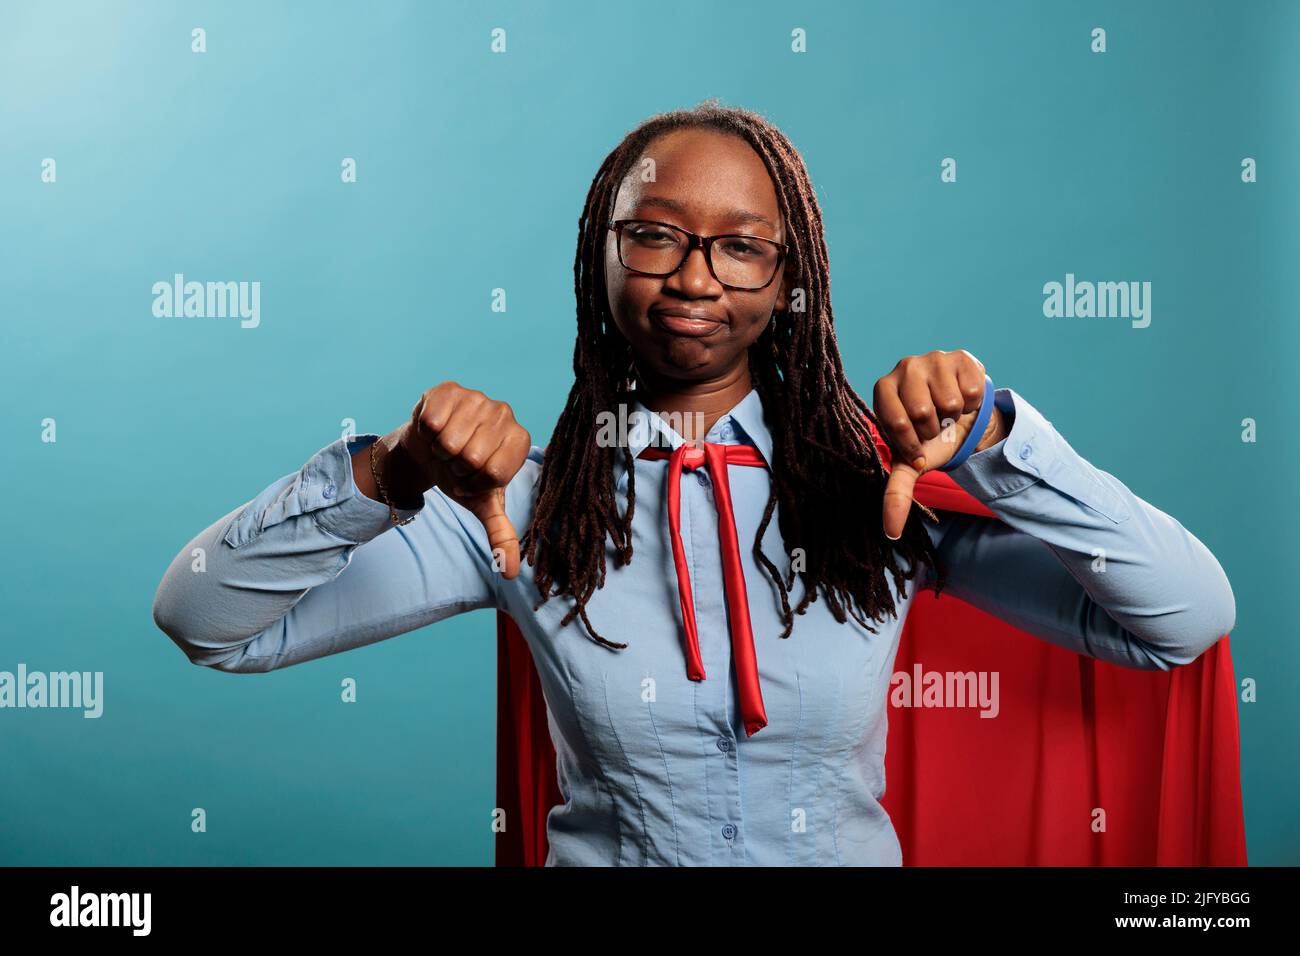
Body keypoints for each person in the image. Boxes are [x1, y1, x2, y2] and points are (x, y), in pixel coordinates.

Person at [152, 101, 1236, 866]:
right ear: (603, 256)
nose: (693, 277)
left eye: (740, 248)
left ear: (788, 277)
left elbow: (1180, 619)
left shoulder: (881, 499)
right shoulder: (522, 511)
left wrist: (998, 438)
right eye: (654, 236)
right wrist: (385, 474)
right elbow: (208, 620)